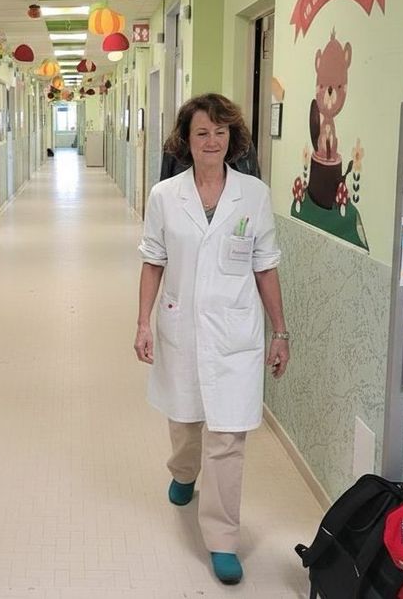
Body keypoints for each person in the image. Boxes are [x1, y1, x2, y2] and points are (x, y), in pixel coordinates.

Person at [133, 94, 289, 586]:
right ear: (186, 139)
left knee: (228, 437)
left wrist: (280, 331)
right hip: (181, 325)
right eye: (202, 132)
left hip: (235, 332)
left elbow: (265, 266)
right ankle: (183, 472)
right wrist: (142, 322)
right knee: (185, 421)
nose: (212, 141)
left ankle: (222, 539)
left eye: (220, 132)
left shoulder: (254, 194)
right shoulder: (165, 195)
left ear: (232, 138)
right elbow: (153, 260)